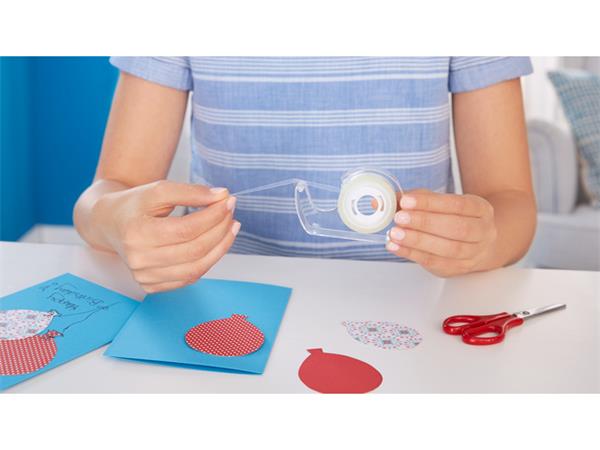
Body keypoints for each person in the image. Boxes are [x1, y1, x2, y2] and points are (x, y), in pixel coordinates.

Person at [74, 57, 536, 293]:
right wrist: (118, 223)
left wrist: (486, 240)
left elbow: (510, 201)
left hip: (416, 304)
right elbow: (103, 196)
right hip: (231, 300)